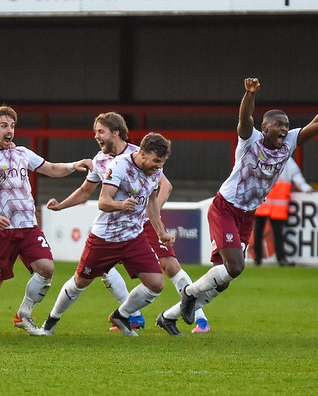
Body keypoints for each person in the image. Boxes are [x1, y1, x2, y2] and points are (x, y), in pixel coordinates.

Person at [171, 78, 318, 329]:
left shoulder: (289, 143)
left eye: (287, 125)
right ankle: (190, 293)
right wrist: (249, 95)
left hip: (247, 214)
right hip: (225, 207)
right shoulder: (250, 140)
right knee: (236, 267)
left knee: (224, 279)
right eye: (278, 125)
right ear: (265, 127)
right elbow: (244, 119)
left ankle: (169, 316)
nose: (284, 129)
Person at [43, 113, 207, 336]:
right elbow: (90, 195)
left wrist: (157, 226)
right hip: (109, 231)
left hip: (137, 229)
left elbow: (160, 191)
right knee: (85, 279)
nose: (96, 136)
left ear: (115, 132)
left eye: (100, 132)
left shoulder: (150, 162)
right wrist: (61, 206)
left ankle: (197, 318)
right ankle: (53, 322)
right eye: (96, 132)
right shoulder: (107, 162)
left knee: (165, 270)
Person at [0, 106, 92, 336]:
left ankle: (23, 314)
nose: (9, 130)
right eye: (4, 125)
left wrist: (74, 165)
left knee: (46, 268)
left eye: (12, 125)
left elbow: (52, 169)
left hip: (28, 226)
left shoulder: (22, 152)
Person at [252, 157, 314, 266]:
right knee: (260, 233)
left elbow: (297, 176)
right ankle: (259, 259)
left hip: (273, 205)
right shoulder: (264, 156)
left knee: (276, 233)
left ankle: (278, 258)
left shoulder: (286, 159)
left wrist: (306, 188)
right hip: (266, 204)